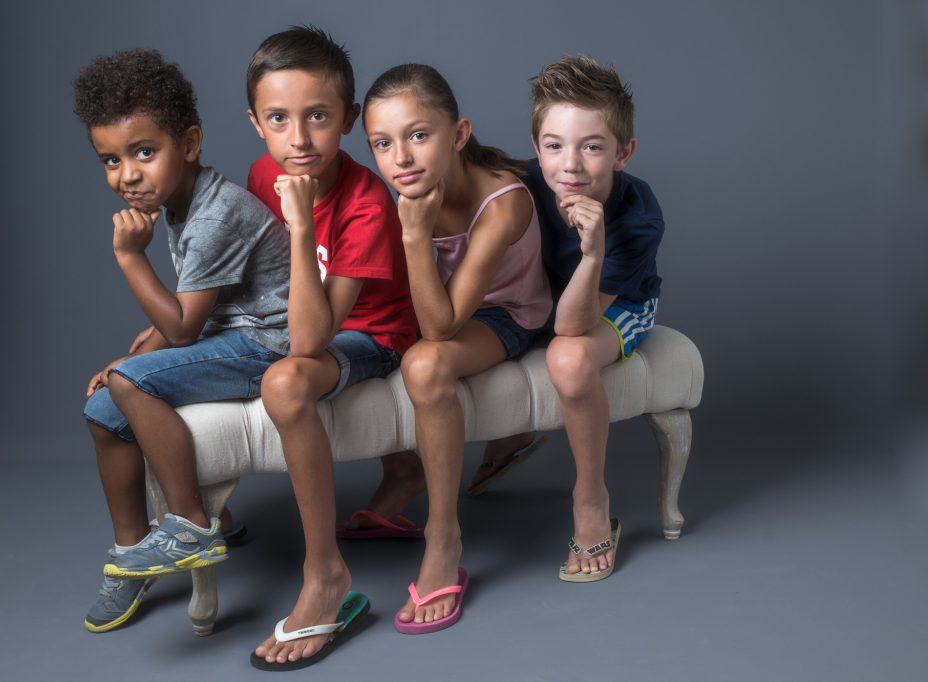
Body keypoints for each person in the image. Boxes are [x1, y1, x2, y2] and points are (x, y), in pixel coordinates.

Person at [74, 49, 291, 632]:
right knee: (102, 409)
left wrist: (128, 258)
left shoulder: (216, 213)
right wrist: (136, 355)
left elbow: (185, 328)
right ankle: (130, 557)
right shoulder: (178, 202)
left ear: (190, 143)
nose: (127, 175)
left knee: (127, 382)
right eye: (111, 160)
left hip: (271, 344)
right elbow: (190, 312)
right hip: (233, 331)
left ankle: (192, 527)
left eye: (145, 152)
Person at [243, 27, 417, 670]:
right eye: (279, 119)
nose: (299, 140)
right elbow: (254, 280)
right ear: (255, 122)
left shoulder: (369, 202)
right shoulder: (265, 172)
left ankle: (325, 575)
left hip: (373, 334)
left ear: (347, 119)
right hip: (296, 318)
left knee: (286, 382)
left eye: (318, 117)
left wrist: (300, 221)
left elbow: (313, 341)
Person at [362, 64, 552, 633]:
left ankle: (443, 535)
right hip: (434, 304)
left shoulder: (502, 204)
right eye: (383, 143)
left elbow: (440, 328)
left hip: (506, 315)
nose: (402, 157)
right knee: (354, 342)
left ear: (459, 134)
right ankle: (403, 472)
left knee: (423, 363)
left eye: (418, 135)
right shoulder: (403, 189)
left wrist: (416, 233)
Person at [490, 55, 664, 581]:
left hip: (618, 305)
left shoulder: (638, 217)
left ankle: (591, 500)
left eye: (592, 146)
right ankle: (512, 433)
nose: (570, 165)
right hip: (542, 296)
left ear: (623, 153)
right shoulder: (524, 182)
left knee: (567, 358)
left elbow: (572, 326)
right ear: (537, 146)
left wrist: (592, 253)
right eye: (554, 145)